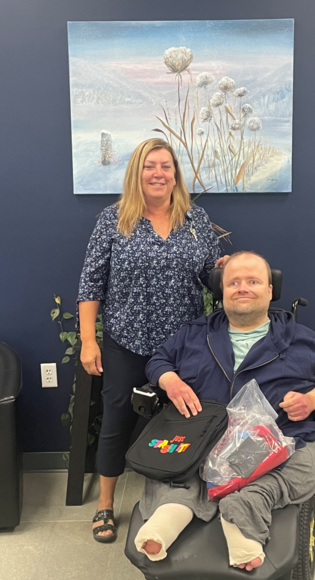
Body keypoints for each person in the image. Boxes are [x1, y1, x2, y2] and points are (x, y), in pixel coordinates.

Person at [134, 251, 315, 571]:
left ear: (270, 290)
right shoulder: (196, 333)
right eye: (234, 282)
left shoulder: (300, 339)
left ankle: (246, 505)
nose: (243, 288)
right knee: (167, 466)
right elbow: (158, 361)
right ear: (221, 291)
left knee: (312, 467)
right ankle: (172, 514)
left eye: (253, 281)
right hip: (203, 438)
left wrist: (311, 400)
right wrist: (171, 382)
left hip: (274, 441)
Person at [78, 138, 227, 544]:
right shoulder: (113, 220)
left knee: (186, 421)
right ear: (137, 173)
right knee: (117, 421)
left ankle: (179, 500)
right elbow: (91, 283)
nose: (158, 173)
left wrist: (223, 269)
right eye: (149, 166)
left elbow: (208, 279)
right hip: (127, 341)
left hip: (184, 346)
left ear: (175, 174)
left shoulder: (195, 220)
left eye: (165, 166)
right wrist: (88, 341)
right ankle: (105, 504)